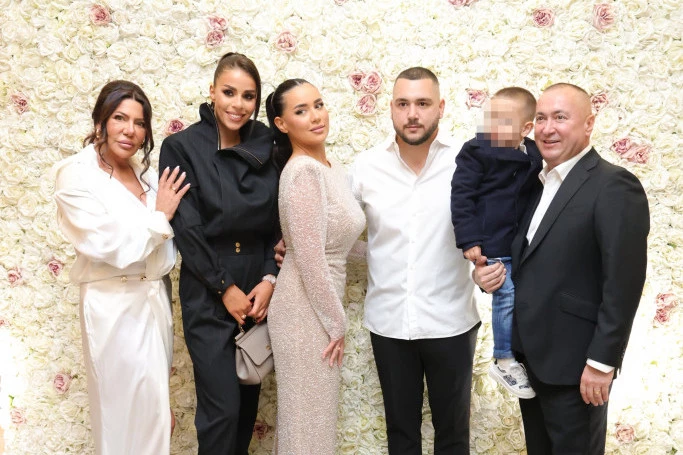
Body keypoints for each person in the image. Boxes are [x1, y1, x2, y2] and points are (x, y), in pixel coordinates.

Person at [474, 83, 649, 454]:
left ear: (589, 124)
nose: (547, 128)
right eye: (540, 118)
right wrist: (485, 275)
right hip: (530, 359)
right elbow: (524, 259)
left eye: (560, 117)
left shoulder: (614, 185)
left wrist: (602, 362)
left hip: (578, 367)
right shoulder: (534, 183)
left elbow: (623, 282)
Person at [53, 80, 189, 454]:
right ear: (101, 121)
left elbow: (174, 238)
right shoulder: (76, 174)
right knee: (120, 420)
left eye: (140, 122)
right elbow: (107, 244)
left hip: (153, 301)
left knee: (157, 418)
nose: (130, 130)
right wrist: (160, 217)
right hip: (111, 305)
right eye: (120, 118)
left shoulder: (148, 175)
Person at [349, 67, 481, 454]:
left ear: (441, 107)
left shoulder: (467, 163)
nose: (412, 114)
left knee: (453, 435)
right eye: (403, 104)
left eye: (423, 103)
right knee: (401, 435)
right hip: (389, 322)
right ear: (390, 107)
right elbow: (339, 234)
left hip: (451, 321)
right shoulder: (366, 167)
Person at [159, 53, 280, 455]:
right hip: (207, 287)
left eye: (248, 96)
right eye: (229, 92)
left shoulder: (268, 143)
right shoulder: (181, 147)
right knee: (221, 412)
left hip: (257, 288)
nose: (238, 104)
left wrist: (269, 278)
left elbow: (277, 223)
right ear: (212, 92)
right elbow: (187, 229)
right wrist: (224, 288)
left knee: (245, 409)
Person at [266, 79, 366, 454]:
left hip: (319, 307)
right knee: (306, 426)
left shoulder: (330, 167)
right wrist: (336, 322)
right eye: (301, 110)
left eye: (318, 105)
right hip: (304, 312)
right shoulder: (303, 172)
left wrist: (395, 253)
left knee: (314, 423)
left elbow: (336, 244)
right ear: (282, 124)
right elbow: (309, 259)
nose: (315, 116)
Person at [450, 87, 542, 399]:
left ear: (525, 128)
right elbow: (461, 197)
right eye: (490, 118)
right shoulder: (476, 151)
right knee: (506, 294)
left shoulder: (534, 153)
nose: (492, 127)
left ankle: (520, 351)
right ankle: (503, 359)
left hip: (519, 241)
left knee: (523, 296)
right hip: (491, 240)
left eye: (503, 121)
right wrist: (469, 240)